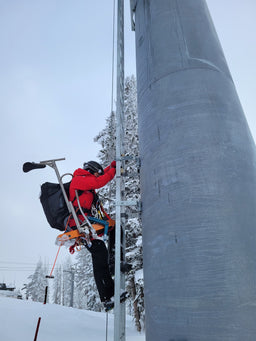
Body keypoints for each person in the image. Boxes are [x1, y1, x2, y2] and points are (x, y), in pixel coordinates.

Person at [68, 160, 121, 310]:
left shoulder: (88, 184)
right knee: (99, 252)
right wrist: (114, 170)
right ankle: (108, 296)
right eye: (97, 172)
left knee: (115, 231)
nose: (98, 175)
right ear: (91, 171)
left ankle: (114, 262)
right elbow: (99, 181)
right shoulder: (78, 180)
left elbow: (98, 178)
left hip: (88, 223)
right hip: (80, 224)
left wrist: (111, 166)